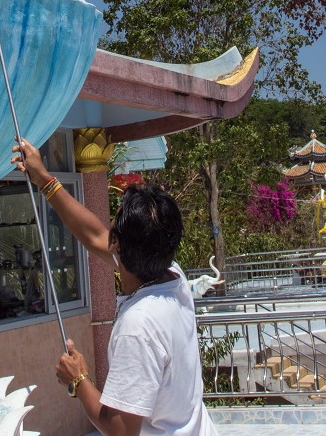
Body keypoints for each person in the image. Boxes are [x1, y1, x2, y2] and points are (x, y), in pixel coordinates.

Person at [13, 139, 218, 436]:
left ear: (117, 244)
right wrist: (44, 179)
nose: (108, 224)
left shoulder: (139, 325)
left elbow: (121, 430)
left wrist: (79, 380)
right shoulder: (173, 277)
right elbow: (94, 235)